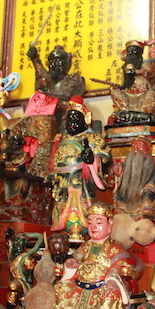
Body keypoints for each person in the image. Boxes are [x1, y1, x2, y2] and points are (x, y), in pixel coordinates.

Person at [51, 201, 135, 309]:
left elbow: (118, 267)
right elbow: (75, 263)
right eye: (90, 223)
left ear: (110, 223)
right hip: (80, 286)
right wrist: (70, 265)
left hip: (101, 286)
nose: (93, 227)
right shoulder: (84, 247)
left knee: (109, 290)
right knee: (63, 287)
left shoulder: (115, 248)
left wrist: (111, 277)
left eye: (99, 222)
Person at [49, 100, 110, 239]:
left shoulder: (93, 138)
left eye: (76, 119)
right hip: (63, 183)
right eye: (68, 120)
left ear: (85, 120)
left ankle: (82, 231)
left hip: (82, 183)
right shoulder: (61, 139)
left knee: (82, 211)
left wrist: (92, 159)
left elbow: (104, 157)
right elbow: (54, 162)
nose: (71, 123)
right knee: (61, 209)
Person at [109, 39, 155, 124]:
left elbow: (150, 72)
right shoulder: (125, 67)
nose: (132, 55)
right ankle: (126, 111)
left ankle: (141, 113)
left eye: (135, 52)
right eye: (130, 53)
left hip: (143, 95)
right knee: (114, 91)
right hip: (127, 97)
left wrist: (135, 71)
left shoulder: (145, 64)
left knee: (151, 94)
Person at [114, 137, 155, 219]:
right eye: (133, 146)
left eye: (140, 146)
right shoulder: (128, 162)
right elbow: (121, 172)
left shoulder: (150, 163)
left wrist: (153, 183)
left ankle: (146, 210)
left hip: (144, 189)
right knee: (121, 190)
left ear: (150, 148)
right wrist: (119, 169)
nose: (136, 149)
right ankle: (121, 209)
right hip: (128, 192)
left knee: (147, 191)